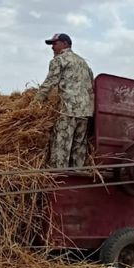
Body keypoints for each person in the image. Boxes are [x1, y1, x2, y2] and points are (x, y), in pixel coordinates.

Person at [34, 32, 94, 169]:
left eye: (55, 44)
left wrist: (34, 104)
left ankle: (58, 180)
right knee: (79, 149)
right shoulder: (83, 63)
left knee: (61, 148)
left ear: (65, 44)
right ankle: (76, 179)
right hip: (85, 113)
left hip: (68, 111)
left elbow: (49, 83)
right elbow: (91, 88)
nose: (52, 47)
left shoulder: (59, 60)